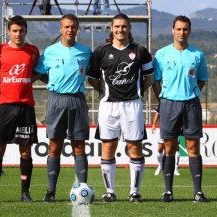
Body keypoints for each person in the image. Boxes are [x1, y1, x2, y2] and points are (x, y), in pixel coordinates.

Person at [87, 13, 154, 203]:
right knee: (108, 147)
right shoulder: (101, 51)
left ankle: (134, 192)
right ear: (111, 28)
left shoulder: (140, 51)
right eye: (117, 26)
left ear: (129, 28)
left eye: (124, 26)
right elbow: (92, 78)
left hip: (132, 105)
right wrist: (105, 93)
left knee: (135, 147)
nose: (120, 30)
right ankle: (110, 192)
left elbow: (149, 77)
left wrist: (139, 93)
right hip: (108, 106)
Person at [33, 14, 92, 202]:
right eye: (66, 27)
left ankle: (82, 188)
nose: (70, 30)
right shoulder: (50, 52)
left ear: (77, 29)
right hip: (56, 100)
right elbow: (38, 74)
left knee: (79, 145)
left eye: (73, 27)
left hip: (77, 100)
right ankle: (51, 191)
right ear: (60, 29)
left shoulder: (86, 52)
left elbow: (97, 75)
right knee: (54, 145)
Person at [152, 15, 209, 202]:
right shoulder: (161, 54)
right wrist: (163, 100)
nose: (181, 32)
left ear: (189, 31)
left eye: (185, 29)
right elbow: (156, 81)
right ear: (172, 31)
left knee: (193, 147)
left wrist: (190, 93)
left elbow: (201, 79)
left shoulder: (197, 55)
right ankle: (168, 192)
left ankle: (198, 192)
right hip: (169, 104)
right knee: (170, 147)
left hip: (191, 104)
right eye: (178, 29)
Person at [0, 15, 40, 203]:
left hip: (26, 107)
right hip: (5, 107)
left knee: (26, 151)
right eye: (15, 31)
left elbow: (36, 72)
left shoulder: (33, 51)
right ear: (9, 32)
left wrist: (27, 82)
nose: (18, 34)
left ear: (26, 32)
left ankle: (25, 193)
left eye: (21, 31)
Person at [151, 105, 180, 176]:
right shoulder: (163, 101)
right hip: (163, 128)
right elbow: (158, 113)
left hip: (175, 128)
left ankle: (175, 168)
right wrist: (154, 125)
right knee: (160, 149)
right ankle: (161, 165)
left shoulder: (178, 101)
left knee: (175, 149)